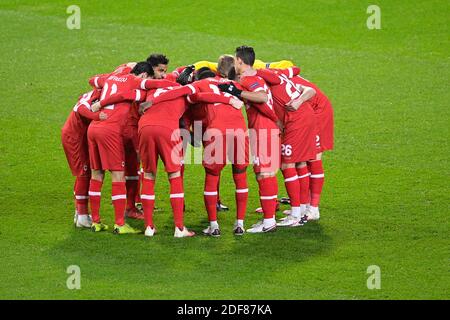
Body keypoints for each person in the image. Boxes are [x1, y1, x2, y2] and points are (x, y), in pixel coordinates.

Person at [219, 46, 281, 233]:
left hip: (263, 129)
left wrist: (237, 92)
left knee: (265, 174)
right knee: (264, 173)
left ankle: (269, 221)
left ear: (239, 61)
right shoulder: (255, 78)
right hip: (263, 128)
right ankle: (268, 219)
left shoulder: (251, 79)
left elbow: (261, 97)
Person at [255, 67, 317, 226]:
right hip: (304, 118)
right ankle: (302, 209)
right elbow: (304, 82)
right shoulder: (283, 76)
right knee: (300, 163)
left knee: (286, 164)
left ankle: (296, 216)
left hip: (297, 121)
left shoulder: (266, 78)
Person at [61, 89, 108, 228]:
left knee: (85, 173)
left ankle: (79, 212)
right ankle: (81, 216)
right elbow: (81, 108)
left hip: (80, 136)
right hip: (75, 137)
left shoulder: (98, 91)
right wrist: (97, 116)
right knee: (84, 173)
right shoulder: (99, 94)